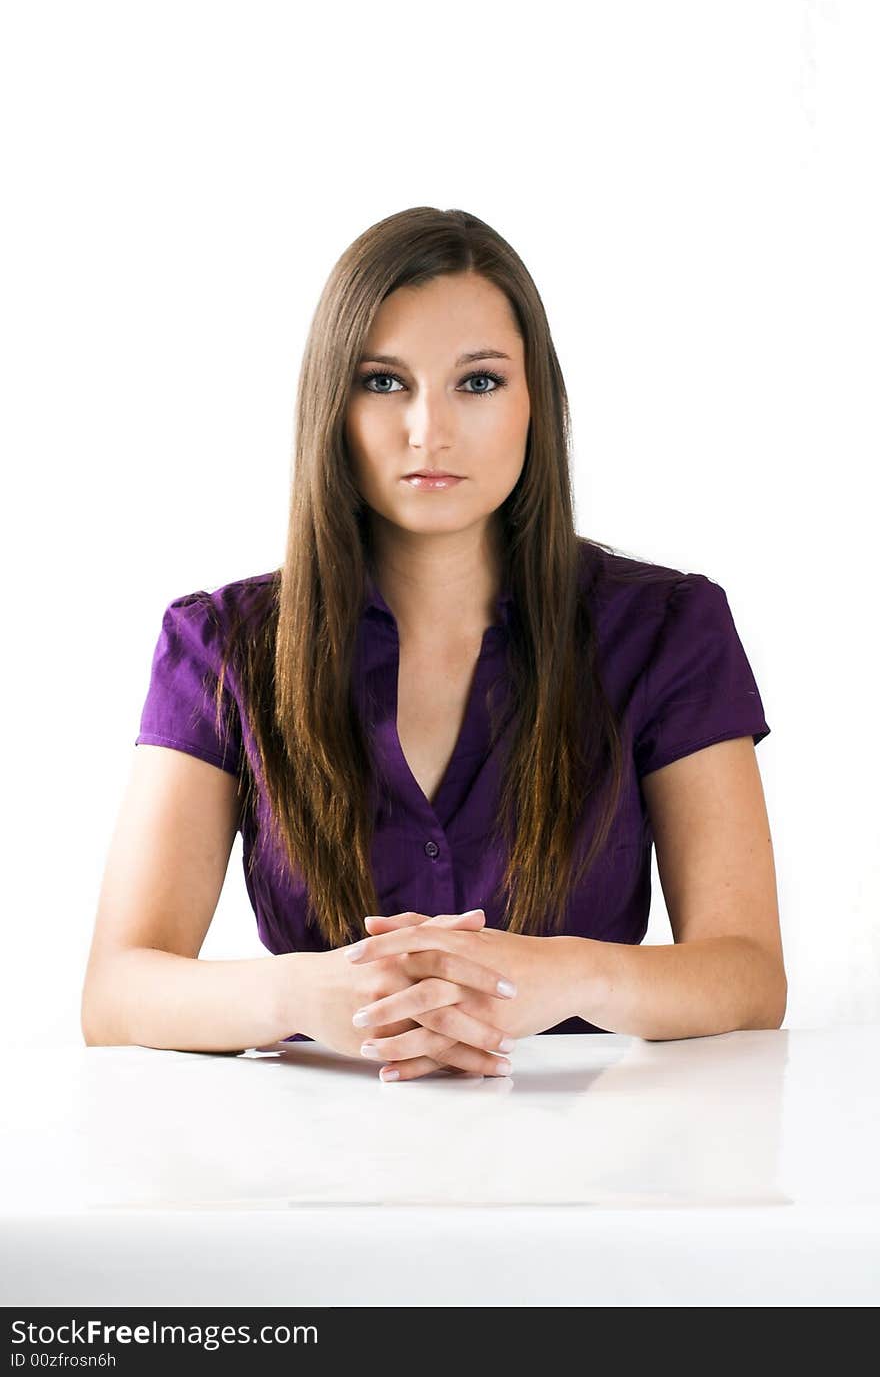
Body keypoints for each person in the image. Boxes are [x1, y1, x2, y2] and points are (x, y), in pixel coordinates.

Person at [81, 206, 786, 1083]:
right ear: (329, 405)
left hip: (598, 1160)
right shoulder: (221, 645)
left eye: (478, 382)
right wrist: (305, 995)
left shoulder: (670, 628)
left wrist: (567, 975)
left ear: (538, 400)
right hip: (311, 1162)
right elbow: (118, 990)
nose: (429, 430)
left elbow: (750, 974)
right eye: (383, 381)